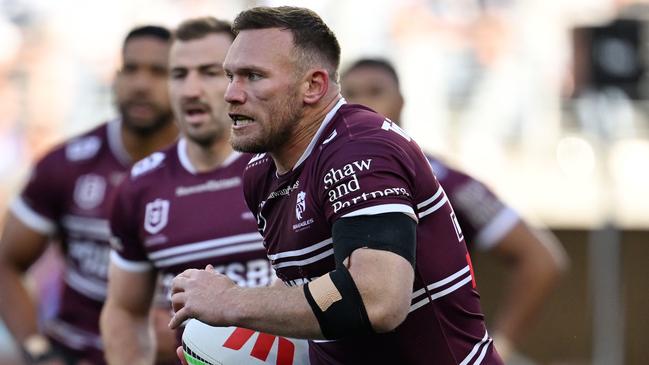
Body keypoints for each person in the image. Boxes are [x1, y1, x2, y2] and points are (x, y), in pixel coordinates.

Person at [169, 6, 503, 365]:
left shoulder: (362, 148)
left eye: (253, 76)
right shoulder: (261, 174)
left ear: (313, 86)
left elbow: (379, 300)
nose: (231, 94)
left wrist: (230, 302)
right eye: (230, 75)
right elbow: (303, 295)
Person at [340, 57, 569, 361]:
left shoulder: (441, 179)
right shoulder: (311, 180)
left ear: (401, 102)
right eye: (352, 94)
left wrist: (499, 347)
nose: (364, 104)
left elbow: (541, 260)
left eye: (375, 91)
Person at [100, 17, 279, 365]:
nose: (190, 90)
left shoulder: (284, 166)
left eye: (210, 72)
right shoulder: (141, 186)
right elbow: (124, 310)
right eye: (179, 74)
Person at [0, 25, 179, 365]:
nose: (141, 84)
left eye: (159, 72)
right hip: (77, 351)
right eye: (131, 69)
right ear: (116, 77)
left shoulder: (215, 172)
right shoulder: (67, 164)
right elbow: (6, 263)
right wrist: (39, 352)